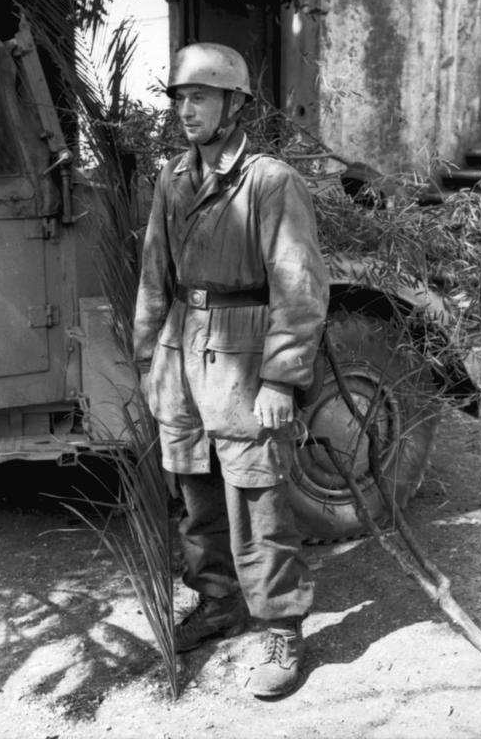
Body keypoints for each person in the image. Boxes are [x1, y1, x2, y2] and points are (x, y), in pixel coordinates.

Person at [133, 42, 329, 698]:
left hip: (245, 353)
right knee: (194, 497)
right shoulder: (173, 179)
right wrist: (149, 363)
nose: (186, 109)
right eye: (180, 98)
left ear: (233, 103)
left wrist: (281, 377)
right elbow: (154, 282)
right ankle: (218, 602)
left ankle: (281, 627)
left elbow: (299, 287)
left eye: (200, 96)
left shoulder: (270, 182)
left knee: (259, 499)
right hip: (180, 354)